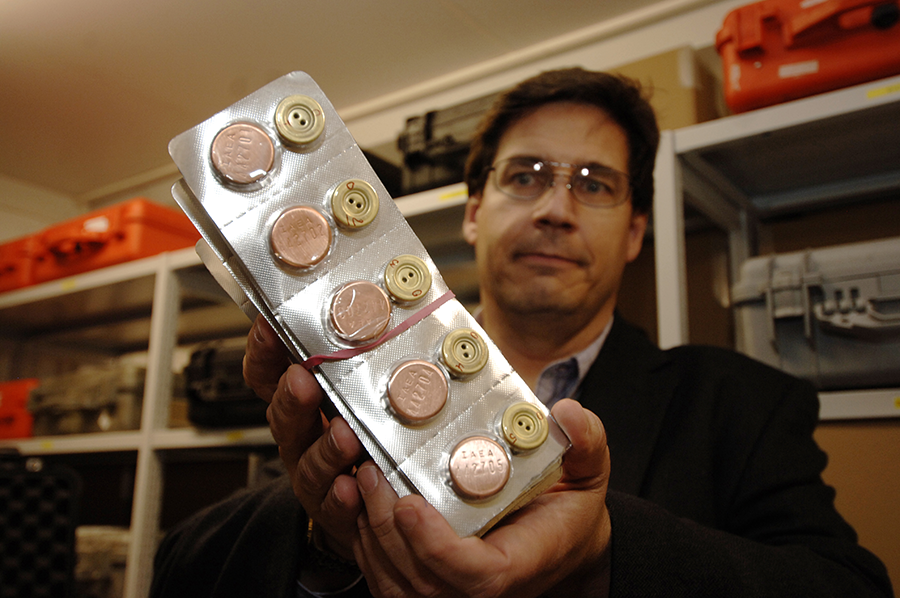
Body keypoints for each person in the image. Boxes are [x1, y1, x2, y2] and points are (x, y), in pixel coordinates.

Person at [151, 68, 894, 598]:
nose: (555, 209)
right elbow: (181, 563)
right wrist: (323, 544)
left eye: (594, 184)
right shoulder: (340, 382)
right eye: (527, 175)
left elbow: (847, 586)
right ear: (474, 211)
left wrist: (601, 556)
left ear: (635, 232)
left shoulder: (742, 404)